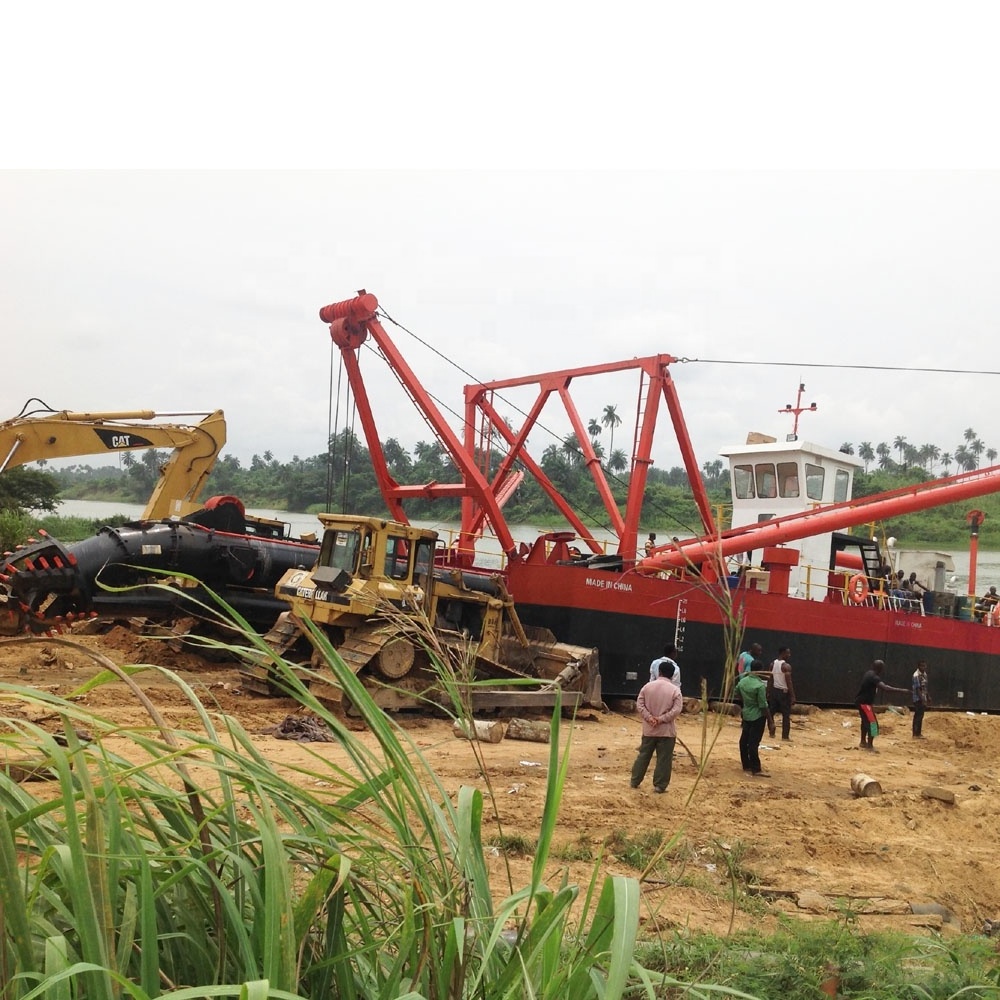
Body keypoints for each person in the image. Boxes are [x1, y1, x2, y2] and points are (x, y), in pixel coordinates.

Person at [630, 661, 684, 793]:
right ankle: (660, 785)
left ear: (659, 672)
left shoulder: (647, 687)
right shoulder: (675, 690)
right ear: (672, 675)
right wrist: (661, 719)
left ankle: (635, 780)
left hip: (649, 730)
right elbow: (677, 710)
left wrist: (649, 718)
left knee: (643, 755)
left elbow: (640, 704)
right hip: (666, 732)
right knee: (664, 759)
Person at [854, 659, 909, 752]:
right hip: (865, 704)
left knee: (865, 722)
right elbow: (885, 688)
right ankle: (869, 745)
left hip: (861, 702)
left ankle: (863, 741)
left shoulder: (869, 673)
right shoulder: (874, 677)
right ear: (880, 669)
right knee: (873, 724)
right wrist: (902, 691)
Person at [735, 661, 773, 776]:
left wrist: (745, 704)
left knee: (744, 740)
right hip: (757, 716)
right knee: (753, 743)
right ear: (761, 670)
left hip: (746, 714)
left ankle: (746, 764)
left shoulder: (742, 681)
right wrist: (770, 721)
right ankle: (755, 768)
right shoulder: (760, 685)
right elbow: (763, 705)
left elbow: (737, 692)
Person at [768, 646, 796, 741]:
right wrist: (792, 696)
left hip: (774, 691)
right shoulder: (786, 666)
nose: (789, 655)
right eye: (788, 653)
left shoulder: (772, 664)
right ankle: (785, 736)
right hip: (783, 692)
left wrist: (768, 691)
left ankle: (771, 732)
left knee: (771, 712)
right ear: (783, 653)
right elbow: (789, 682)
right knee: (786, 715)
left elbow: (770, 679)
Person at [911, 660, 930, 738]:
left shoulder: (924, 674)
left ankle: (918, 733)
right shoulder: (916, 675)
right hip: (917, 698)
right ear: (918, 666)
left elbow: (924, 687)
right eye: (922, 666)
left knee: (921, 716)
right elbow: (917, 689)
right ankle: (915, 734)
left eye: (924, 666)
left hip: (923, 697)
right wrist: (922, 700)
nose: (924, 667)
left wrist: (928, 696)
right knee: (917, 716)